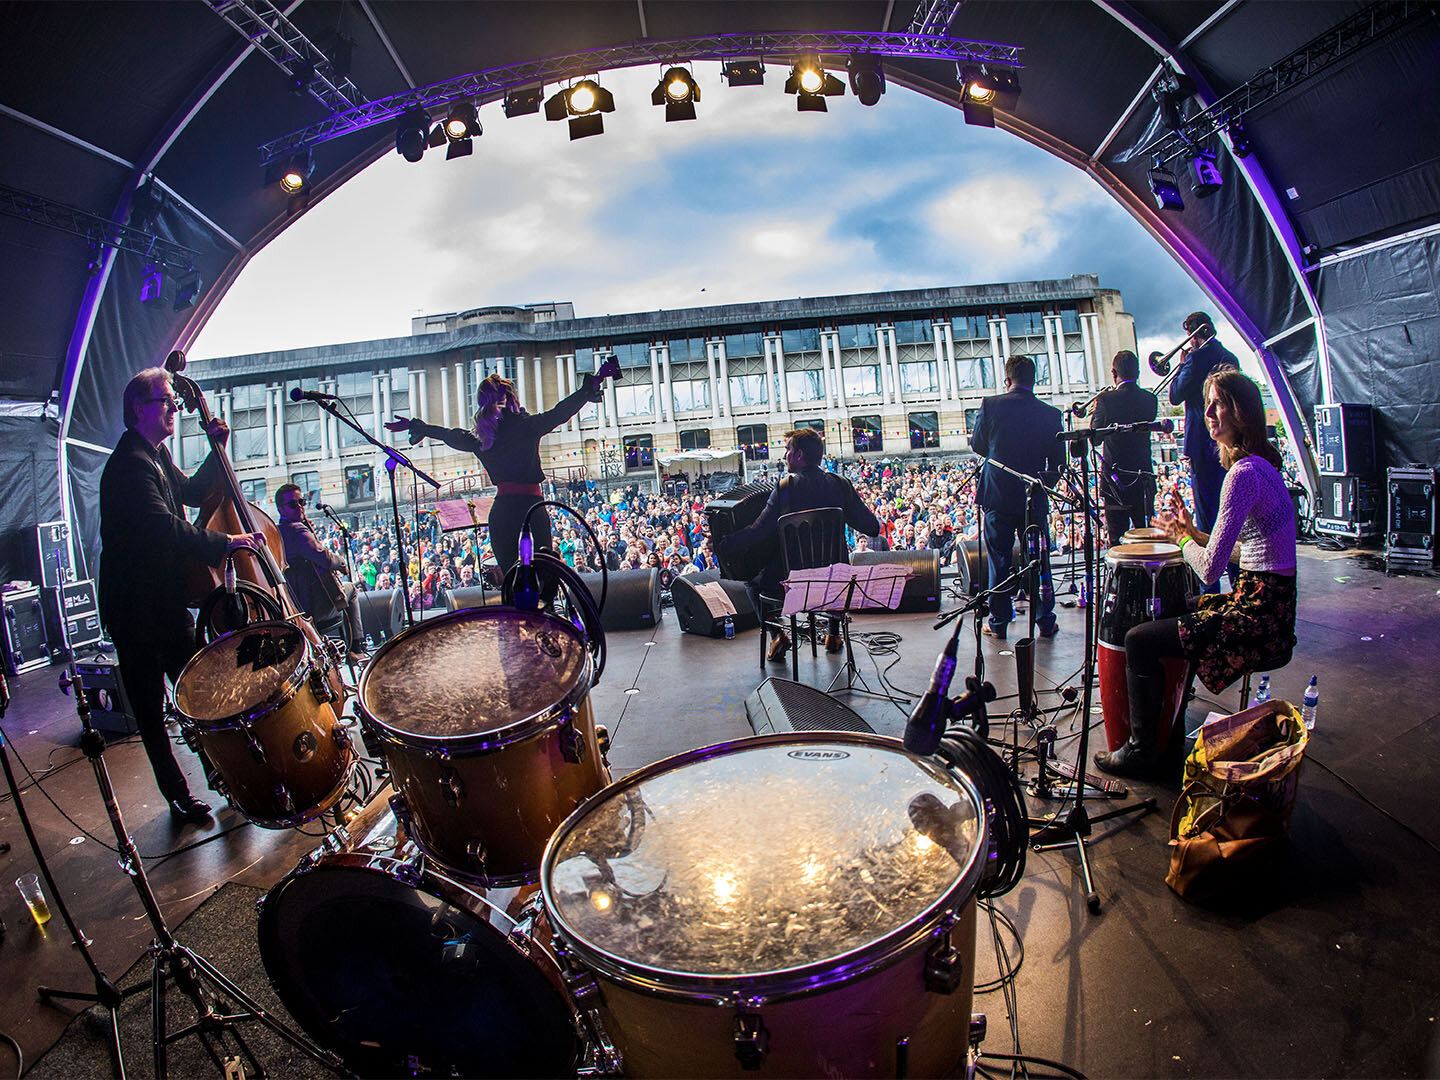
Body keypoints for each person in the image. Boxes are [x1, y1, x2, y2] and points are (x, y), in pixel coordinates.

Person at [1096, 367, 1297, 778]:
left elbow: (1210, 569)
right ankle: (1166, 724)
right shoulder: (1261, 467)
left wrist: (1186, 543)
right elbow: (1247, 552)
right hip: (1272, 606)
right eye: (1206, 404)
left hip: (1259, 616)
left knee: (1139, 639)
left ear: (1240, 412)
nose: (1207, 413)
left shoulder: (1241, 475)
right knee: (1184, 610)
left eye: (1217, 403)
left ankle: (1142, 750)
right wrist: (1193, 533)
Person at [98, 368, 265, 823]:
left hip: (163, 602)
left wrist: (218, 449)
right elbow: (162, 526)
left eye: (174, 400)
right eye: (166, 401)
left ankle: (223, 779)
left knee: (198, 694)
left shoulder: (155, 454)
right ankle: (178, 794)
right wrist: (224, 543)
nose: (175, 407)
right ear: (139, 409)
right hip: (135, 609)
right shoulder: (130, 464)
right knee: (153, 712)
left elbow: (190, 493)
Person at [386, 370, 605, 574]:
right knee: (545, 570)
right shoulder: (526, 426)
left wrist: (420, 427)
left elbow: (449, 435)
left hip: (503, 510)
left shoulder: (481, 437)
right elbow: (559, 413)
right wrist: (588, 389)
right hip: (533, 505)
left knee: (511, 577)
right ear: (511, 399)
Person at [719, 428, 881, 661]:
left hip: (792, 584)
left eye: (788, 450)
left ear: (799, 455)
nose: (785, 456)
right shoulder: (841, 484)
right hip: (835, 581)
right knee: (833, 569)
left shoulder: (787, 487)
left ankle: (777, 636)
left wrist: (726, 543)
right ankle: (834, 634)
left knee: (752, 585)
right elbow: (872, 528)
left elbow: (759, 530)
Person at [969, 355, 1064, 640]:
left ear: (1006, 379)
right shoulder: (1050, 414)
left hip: (997, 494)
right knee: (1039, 558)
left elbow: (978, 446)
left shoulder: (991, 405)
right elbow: (1058, 464)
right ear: (1034, 381)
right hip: (1033, 497)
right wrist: (1040, 485)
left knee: (999, 558)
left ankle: (998, 623)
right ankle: (1045, 620)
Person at [1169, 313, 1236, 571]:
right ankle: (1234, 572)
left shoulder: (1194, 358)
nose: (1189, 341)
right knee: (1230, 512)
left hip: (1201, 443)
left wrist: (1182, 366)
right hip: (1228, 442)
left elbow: (1175, 395)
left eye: (1189, 336)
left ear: (1195, 334)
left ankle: (1211, 580)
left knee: (1208, 515)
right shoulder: (1231, 358)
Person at [275, 484, 367, 664]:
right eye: (293, 504)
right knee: (351, 590)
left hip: (296, 606)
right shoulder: (297, 530)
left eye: (301, 502)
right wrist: (341, 564)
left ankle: (349, 648)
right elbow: (325, 558)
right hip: (315, 607)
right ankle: (356, 646)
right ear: (280, 509)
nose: (300, 506)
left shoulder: (278, 532)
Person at [1091, 349, 1159, 546]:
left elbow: (1095, 438)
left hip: (1115, 481)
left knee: (1116, 538)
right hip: (1143, 478)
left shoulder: (1105, 400)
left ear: (1114, 374)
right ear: (1138, 373)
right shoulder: (1150, 400)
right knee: (1146, 536)